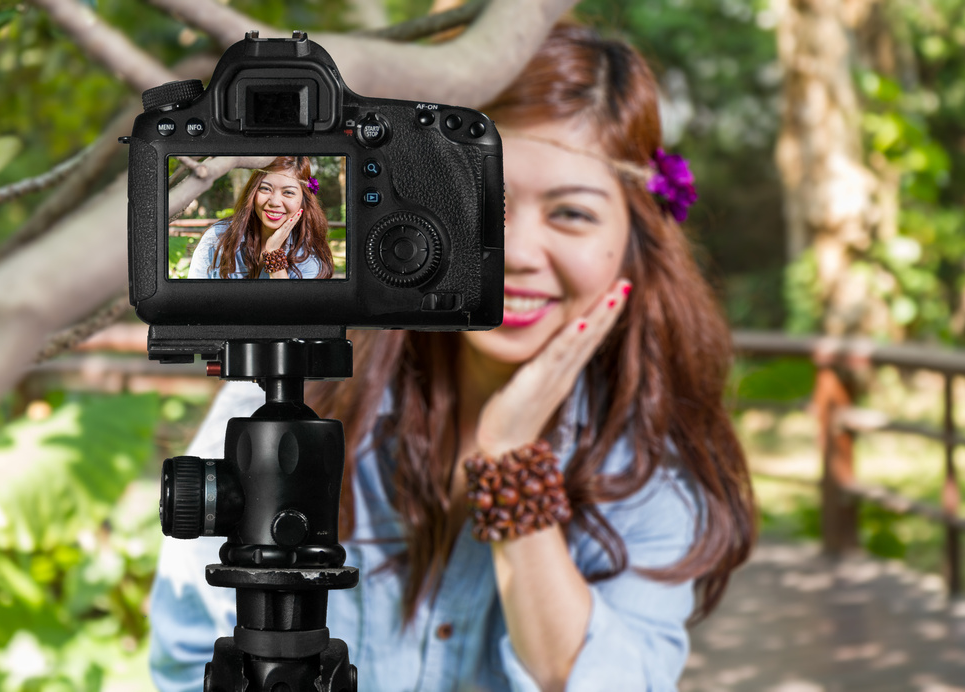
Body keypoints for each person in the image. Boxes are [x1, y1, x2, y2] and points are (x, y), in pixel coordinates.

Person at [149, 23, 755, 691]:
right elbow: (187, 657)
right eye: (483, 205)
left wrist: (509, 466)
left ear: (633, 241)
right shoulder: (291, 391)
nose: (520, 254)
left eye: (571, 215)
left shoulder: (647, 465)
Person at [186, 155, 335, 279]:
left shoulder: (309, 258)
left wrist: (273, 256)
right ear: (253, 192)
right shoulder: (217, 238)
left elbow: (291, 313)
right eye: (265, 188)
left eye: (288, 192)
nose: (274, 202)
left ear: (304, 201)